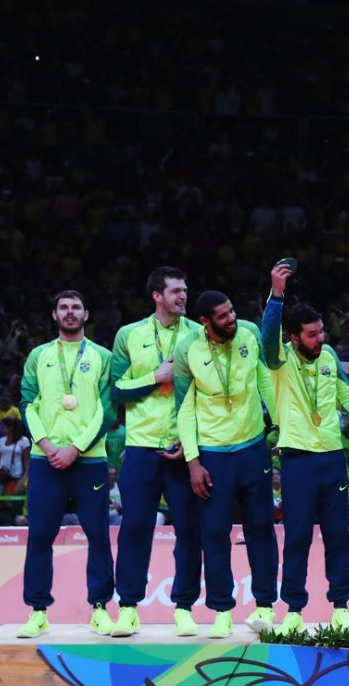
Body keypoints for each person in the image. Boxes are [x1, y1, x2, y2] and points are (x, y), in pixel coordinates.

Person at [262, 262, 349, 635]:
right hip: (297, 461)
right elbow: (267, 335)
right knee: (298, 536)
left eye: (321, 331)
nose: (320, 338)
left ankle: (340, 605)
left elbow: (344, 393)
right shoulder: (278, 360)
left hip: (331, 459)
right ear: (293, 337)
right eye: (311, 334)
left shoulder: (326, 358)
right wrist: (276, 296)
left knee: (338, 534)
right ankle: (293, 607)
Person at [174, 290, 279, 638]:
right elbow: (185, 409)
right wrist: (193, 461)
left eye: (231, 310)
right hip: (213, 455)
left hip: (252, 449)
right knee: (215, 534)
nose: (231, 318)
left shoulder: (247, 334)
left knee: (261, 528)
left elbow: (263, 379)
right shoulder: (188, 349)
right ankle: (222, 610)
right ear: (205, 321)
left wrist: (279, 425)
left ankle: (265, 607)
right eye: (222, 316)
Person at [109, 266, 204, 637]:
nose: (183, 296)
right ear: (157, 296)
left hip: (185, 448)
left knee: (189, 531)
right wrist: (155, 377)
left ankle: (183, 607)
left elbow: (207, 391)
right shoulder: (128, 335)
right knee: (134, 528)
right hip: (142, 447)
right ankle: (128, 608)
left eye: (185, 289)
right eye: (176, 291)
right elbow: (116, 390)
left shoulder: (198, 334)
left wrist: (192, 439)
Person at [16, 290, 117, 638]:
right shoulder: (38, 356)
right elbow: (27, 403)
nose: (70, 313)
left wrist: (75, 447)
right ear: (55, 315)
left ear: (86, 314)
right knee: (40, 536)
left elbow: (109, 409)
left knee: (98, 537)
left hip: (89, 460)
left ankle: (100, 609)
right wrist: (46, 444)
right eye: (64, 308)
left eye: (76, 308)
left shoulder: (103, 356)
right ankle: (38, 611)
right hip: (46, 460)